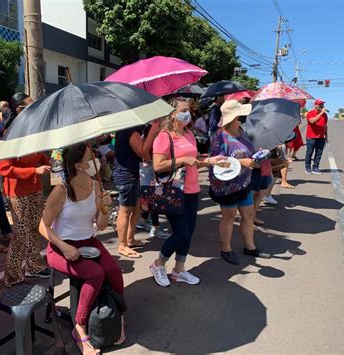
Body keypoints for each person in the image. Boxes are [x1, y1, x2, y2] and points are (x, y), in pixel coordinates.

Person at [39, 143, 125, 355]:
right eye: (91, 157)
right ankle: (80, 327)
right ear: (78, 164)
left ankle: (118, 317)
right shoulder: (61, 190)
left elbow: (102, 224)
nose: (96, 159)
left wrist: (105, 208)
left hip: (89, 242)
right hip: (60, 247)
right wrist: (64, 246)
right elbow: (43, 225)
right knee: (95, 274)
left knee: (113, 270)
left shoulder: (96, 185)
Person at [149, 97, 225, 287]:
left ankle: (179, 270)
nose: (187, 113)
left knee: (189, 232)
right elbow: (157, 166)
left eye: (188, 110)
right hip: (173, 191)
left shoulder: (188, 133)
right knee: (181, 233)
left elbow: (194, 159)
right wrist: (182, 160)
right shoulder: (164, 136)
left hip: (192, 189)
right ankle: (158, 264)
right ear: (172, 113)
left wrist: (210, 160)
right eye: (183, 110)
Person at [209, 100, 271, 265]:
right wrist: (243, 162)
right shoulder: (220, 137)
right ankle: (226, 248)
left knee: (248, 215)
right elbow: (217, 163)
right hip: (227, 186)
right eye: (240, 116)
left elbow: (248, 152)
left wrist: (258, 155)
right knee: (228, 217)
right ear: (232, 118)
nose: (243, 119)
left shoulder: (242, 132)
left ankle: (250, 247)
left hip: (244, 182)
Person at [0, 93, 50, 287]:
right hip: (17, 191)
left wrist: (49, 161)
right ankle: (12, 275)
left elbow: (40, 155)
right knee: (21, 233)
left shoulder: (33, 131)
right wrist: (33, 170)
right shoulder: (11, 134)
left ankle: (34, 265)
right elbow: (5, 169)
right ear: (19, 109)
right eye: (31, 106)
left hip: (35, 187)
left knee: (35, 228)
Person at [113, 119, 160, 258]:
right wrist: (152, 132)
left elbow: (143, 152)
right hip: (126, 176)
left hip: (135, 173)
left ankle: (130, 238)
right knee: (125, 210)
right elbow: (141, 151)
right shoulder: (129, 130)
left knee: (138, 207)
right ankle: (122, 245)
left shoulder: (135, 130)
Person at [305, 99, 328, 175]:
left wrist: (326, 136)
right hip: (311, 137)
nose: (322, 106)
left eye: (322, 104)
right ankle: (307, 168)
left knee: (319, 153)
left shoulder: (325, 115)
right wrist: (321, 113)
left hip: (321, 137)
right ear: (315, 105)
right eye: (320, 104)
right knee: (309, 152)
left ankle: (315, 167)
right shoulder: (310, 113)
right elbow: (312, 121)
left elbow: (325, 126)